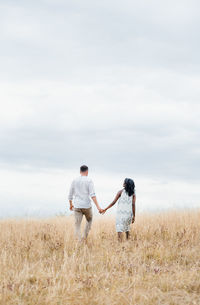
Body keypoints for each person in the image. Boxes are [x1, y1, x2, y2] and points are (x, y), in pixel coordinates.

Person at [68, 165, 103, 241]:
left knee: (77, 225)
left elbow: (70, 194)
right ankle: (84, 237)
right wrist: (98, 207)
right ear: (87, 171)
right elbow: (92, 195)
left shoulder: (74, 180)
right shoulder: (89, 180)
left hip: (77, 206)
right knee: (89, 220)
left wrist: (71, 204)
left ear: (80, 172)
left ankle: (78, 242)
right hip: (87, 206)